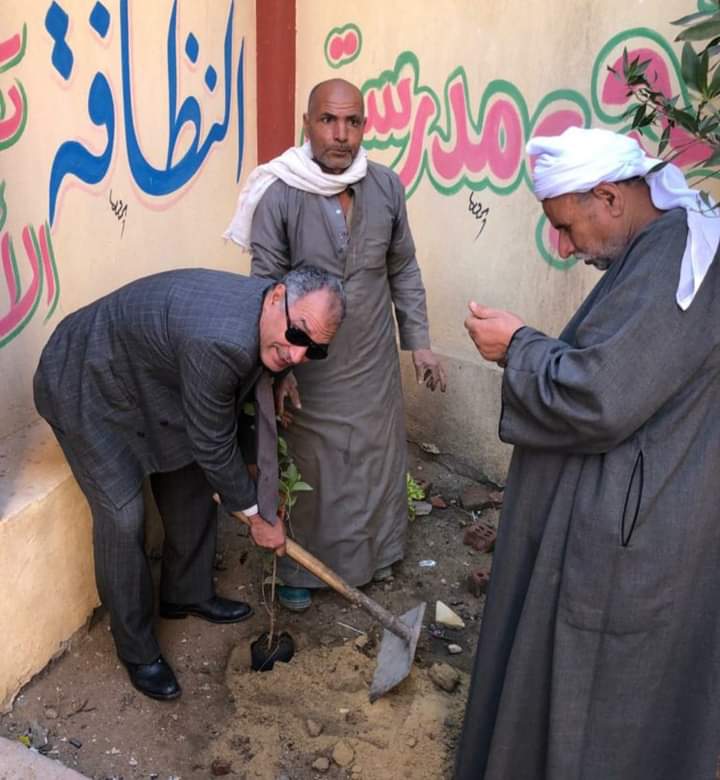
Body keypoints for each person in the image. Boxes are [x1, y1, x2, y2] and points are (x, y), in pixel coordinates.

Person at [455, 126, 720, 780]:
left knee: (599, 679)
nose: (565, 247)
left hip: (636, 531)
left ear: (609, 197)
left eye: (566, 228)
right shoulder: (663, 245)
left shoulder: (674, 255)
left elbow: (602, 396)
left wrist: (519, 346)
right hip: (647, 504)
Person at [33, 266, 345, 700]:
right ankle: (138, 651)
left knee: (193, 480)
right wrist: (257, 517)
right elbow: (213, 442)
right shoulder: (219, 340)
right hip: (84, 383)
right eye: (297, 335)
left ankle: (186, 593)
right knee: (123, 516)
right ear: (276, 297)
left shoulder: (269, 318)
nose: (297, 354)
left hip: (144, 381)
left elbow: (228, 417)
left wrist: (280, 375)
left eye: (314, 349)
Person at [223, 78, 447, 611]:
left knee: (373, 460)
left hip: (373, 357)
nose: (340, 134)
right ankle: (300, 572)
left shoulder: (386, 186)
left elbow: (403, 267)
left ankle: (378, 555)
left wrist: (419, 342)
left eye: (352, 122)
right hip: (311, 368)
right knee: (315, 469)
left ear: (364, 126)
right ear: (308, 124)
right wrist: (280, 371)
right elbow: (266, 288)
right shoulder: (280, 193)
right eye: (328, 120)